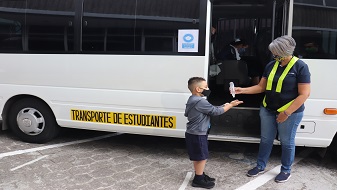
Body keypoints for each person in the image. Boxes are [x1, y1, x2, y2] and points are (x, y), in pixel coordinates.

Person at [233, 35, 311, 183]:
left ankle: (286, 170)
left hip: (290, 112)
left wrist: (286, 113)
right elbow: (260, 87)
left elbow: (304, 94)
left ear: (285, 51)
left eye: (276, 53)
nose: (273, 55)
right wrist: (242, 90)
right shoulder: (271, 65)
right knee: (266, 139)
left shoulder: (300, 66)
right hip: (268, 109)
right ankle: (260, 166)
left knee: (287, 142)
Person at [185, 77, 243, 189]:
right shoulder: (200, 101)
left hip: (195, 133)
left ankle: (200, 174)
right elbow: (215, 112)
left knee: (199, 156)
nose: (208, 88)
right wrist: (230, 106)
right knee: (202, 157)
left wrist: (225, 105)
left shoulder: (193, 99)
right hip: (198, 134)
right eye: (205, 87)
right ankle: (198, 179)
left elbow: (211, 108)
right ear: (198, 89)